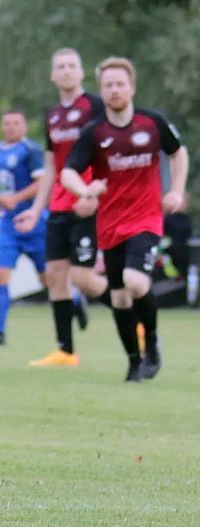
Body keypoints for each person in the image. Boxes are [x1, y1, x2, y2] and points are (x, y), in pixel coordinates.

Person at [60, 56, 188, 382]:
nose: (114, 90)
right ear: (101, 91)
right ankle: (133, 362)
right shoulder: (94, 132)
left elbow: (178, 152)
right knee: (118, 297)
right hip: (110, 224)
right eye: (108, 85)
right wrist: (86, 190)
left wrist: (176, 191)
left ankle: (152, 344)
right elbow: (68, 173)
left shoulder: (152, 122)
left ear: (132, 87)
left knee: (136, 282)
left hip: (146, 219)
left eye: (120, 84)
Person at [15, 48, 109, 366]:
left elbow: (108, 152)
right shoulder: (53, 114)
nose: (67, 71)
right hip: (57, 205)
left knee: (83, 278)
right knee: (56, 276)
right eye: (61, 67)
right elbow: (51, 164)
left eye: (72, 66)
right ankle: (66, 351)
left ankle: (132, 312)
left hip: (86, 203)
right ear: (53, 75)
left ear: (81, 72)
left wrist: (94, 195)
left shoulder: (95, 106)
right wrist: (35, 208)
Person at [0, 111, 47, 345]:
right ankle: (0, 330)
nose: (11, 127)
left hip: (34, 222)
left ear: (25, 126)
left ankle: (76, 302)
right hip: (6, 225)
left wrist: (15, 199)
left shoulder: (31, 151)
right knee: (1, 276)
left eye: (16, 123)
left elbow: (41, 184)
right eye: (7, 123)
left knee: (48, 279)